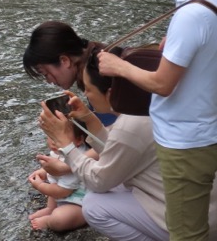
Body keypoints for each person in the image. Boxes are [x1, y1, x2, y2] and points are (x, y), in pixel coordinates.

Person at [98, 0, 217, 241]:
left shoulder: (191, 14)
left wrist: (117, 66)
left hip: (187, 142)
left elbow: (163, 84)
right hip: (210, 126)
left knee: (185, 232)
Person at [39, 44, 170, 241]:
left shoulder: (129, 127)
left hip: (184, 222)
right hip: (193, 205)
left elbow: (98, 182)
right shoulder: (145, 113)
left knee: (94, 206)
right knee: (113, 184)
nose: (88, 97)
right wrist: (90, 119)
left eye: (89, 90)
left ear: (109, 93)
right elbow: (118, 153)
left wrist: (65, 144)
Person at [24, 21, 115, 126]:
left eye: (45, 73)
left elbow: (114, 135)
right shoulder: (95, 60)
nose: (48, 81)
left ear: (64, 61)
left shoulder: (97, 76)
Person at [27, 128, 88, 232]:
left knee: (59, 219)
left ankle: (49, 221)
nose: (53, 141)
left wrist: (40, 186)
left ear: (78, 140)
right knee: (53, 183)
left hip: (81, 203)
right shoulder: (59, 151)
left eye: (59, 137)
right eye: (50, 136)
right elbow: (54, 169)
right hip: (66, 195)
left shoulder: (78, 157)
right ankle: (50, 208)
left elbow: (62, 191)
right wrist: (44, 171)